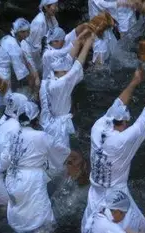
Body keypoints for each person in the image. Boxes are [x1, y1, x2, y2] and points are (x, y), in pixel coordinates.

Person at [81, 68, 145, 233]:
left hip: (95, 195)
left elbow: (118, 104)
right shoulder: (122, 140)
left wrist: (135, 81)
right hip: (117, 199)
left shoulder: (98, 126)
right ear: (124, 123)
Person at [0, 101, 70, 232]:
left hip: (13, 176)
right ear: (36, 118)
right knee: (40, 213)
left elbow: (4, 159)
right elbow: (62, 151)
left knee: (19, 209)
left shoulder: (13, 133)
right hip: (32, 178)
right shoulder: (40, 136)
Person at [39, 33, 94, 175]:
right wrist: (87, 44)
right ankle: (63, 183)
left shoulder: (46, 81)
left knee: (50, 156)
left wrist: (79, 39)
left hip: (46, 124)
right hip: (58, 128)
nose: (68, 72)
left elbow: (69, 60)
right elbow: (77, 65)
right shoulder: (61, 85)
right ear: (63, 71)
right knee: (61, 163)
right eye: (66, 71)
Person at [0, 18, 39, 107]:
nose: (27, 35)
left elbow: (24, 59)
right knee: (3, 102)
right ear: (20, 32)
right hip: (1, 76)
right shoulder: (14, 47)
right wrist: (33, 85)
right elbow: (22, 74)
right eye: (26, 32)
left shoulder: (6, 38)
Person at [88, 0, 137, 64]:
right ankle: (98, 64)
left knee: (116, 51)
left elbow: (126, 22)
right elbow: (98, 3)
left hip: (119, 11)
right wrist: (118, 4)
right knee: (101, 39)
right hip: (100, 20)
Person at [22, 0, 60, 73]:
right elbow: (34, 48)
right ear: (46, 7)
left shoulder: (52, 19)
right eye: (55, 6)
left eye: (57, 6)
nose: (57, 9)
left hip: (40, 50)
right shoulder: (39, 22)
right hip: (29, 53)